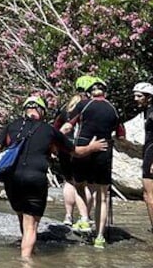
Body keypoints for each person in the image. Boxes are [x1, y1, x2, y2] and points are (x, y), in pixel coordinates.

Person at [0, 96, 107, 260]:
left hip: (12, 180)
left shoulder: (12, 126)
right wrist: (92, 147)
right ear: (41, 110)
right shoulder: (49, 130)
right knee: (31, 225)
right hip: (35, 179)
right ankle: (25, 261)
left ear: (25, 110)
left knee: (22, 216)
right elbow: (76, 152)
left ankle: (27, 247)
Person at [61, 77, 125, 249]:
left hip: (83, 148)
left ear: (89, 93)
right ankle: (100, 238)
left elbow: (67, 127)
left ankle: (84, 219)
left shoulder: (84, 105)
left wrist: (55, 139)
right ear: (105, 93)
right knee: (103, 197)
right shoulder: (113, 109)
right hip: (105, 151)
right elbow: (121, 135)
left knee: (79, 185)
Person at [52, 76, 93, 226]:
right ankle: (86, 217)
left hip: (65, 148)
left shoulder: (66, 107)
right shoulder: (90, 106)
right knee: (85, 184)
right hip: (85, 148)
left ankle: (68, 216)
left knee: (69, 182)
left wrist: (54, 146)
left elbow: (55, 128)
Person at [132, 81, 153, 233]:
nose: (135, 99)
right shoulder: (148, 111)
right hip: (148, 152)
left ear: (149, 97)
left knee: (149, 195)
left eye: (139, 96)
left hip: (151, 154)